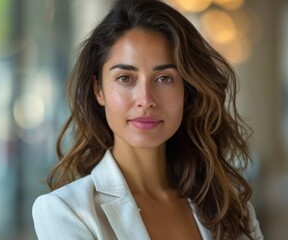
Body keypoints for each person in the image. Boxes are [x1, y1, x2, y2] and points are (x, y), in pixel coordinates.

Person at [32, 0, 263, 239]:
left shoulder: (232, 209)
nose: (145, 99)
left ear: (187, 91)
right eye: (125, 78)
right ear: (98, 90)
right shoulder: (67, 211)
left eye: (164, 78)